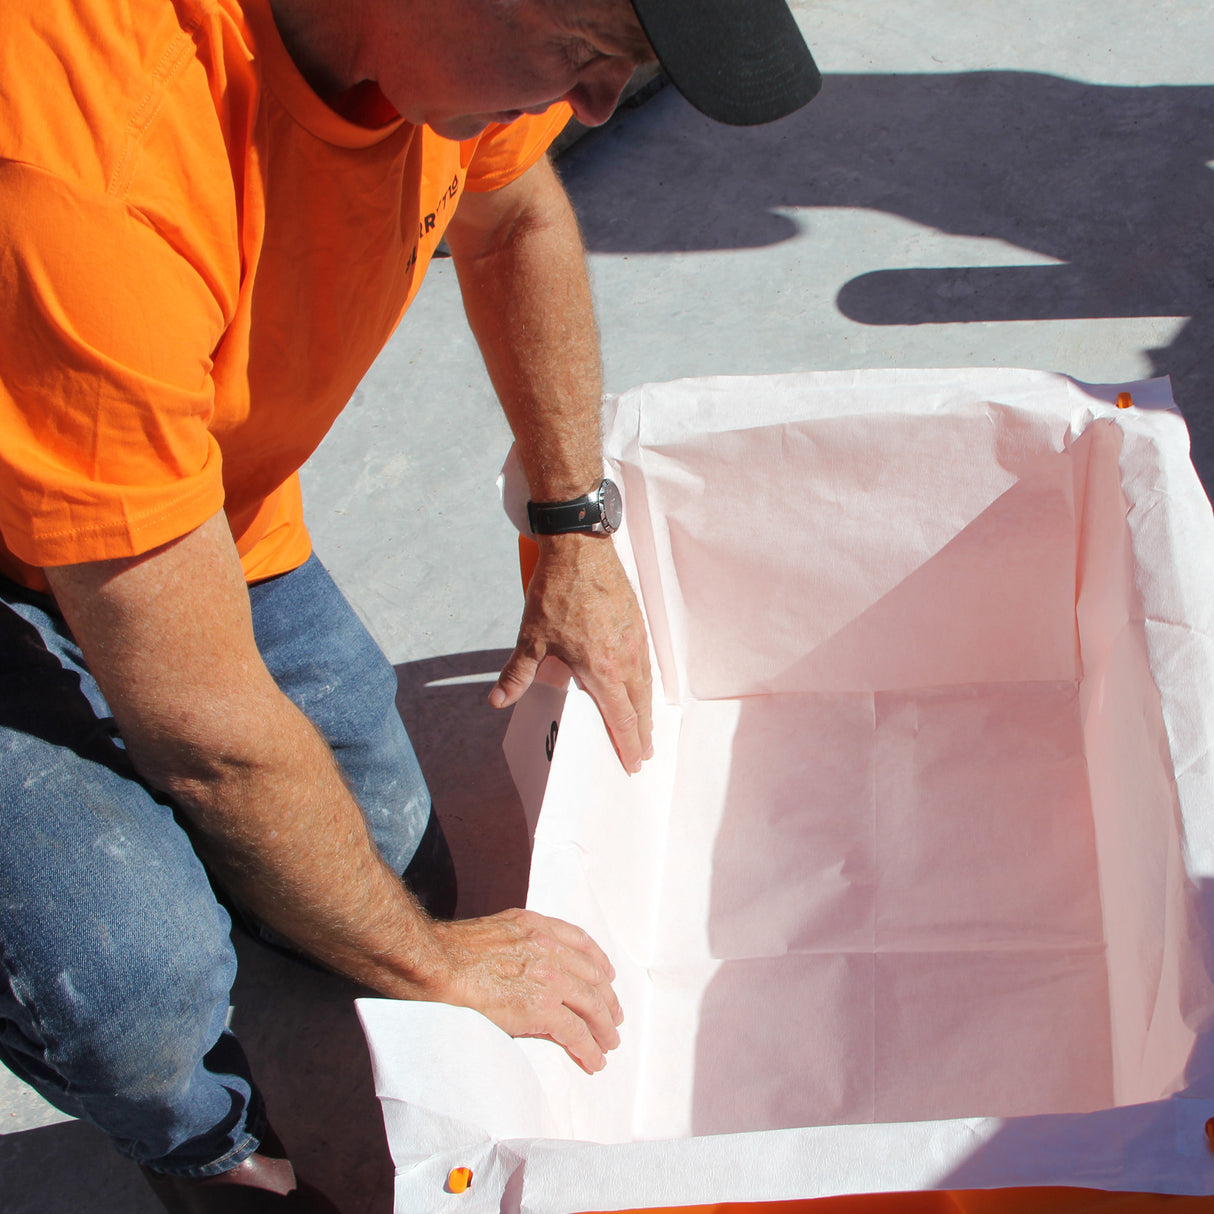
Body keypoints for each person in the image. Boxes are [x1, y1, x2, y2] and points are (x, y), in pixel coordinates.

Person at [0, 0, 820, 1209]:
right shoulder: (96, 170)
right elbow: (205, 731)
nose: (597, 104)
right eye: (589, 54)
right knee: (129, 985)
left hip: (191, 511)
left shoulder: (437, 59)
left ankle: (265, 986)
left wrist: (569, 527)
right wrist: (430, 962)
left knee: (384, 853)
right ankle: (202, 1147)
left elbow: (513, 223)